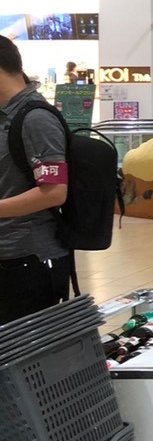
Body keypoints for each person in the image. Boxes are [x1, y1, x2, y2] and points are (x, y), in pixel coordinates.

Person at [0, 36, 72, 324]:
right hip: (9, 257)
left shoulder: (35, 118)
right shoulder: (6, 116)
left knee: (25, 350)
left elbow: (54, 192)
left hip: (29, 261)